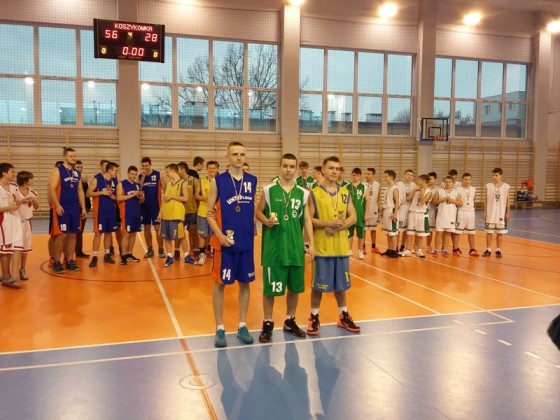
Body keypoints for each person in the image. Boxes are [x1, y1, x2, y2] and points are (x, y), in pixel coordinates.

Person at [255, 154, 315, 343]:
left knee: (295, 288)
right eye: (285, 166)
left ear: (296, 169)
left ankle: (290, 320)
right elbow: (258, 212)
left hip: (296, 248)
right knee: (270, 289)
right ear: (279, 167)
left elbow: (306, 219)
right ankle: (267, 322)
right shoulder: (268, 190)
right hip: (274, 249)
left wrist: (311, 243)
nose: (288, 169)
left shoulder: (303, 193)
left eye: (292, 166)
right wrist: (266, 221)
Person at [206, 141, 257, 348]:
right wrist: (219, 235)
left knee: (245, 283)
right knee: (220, 284)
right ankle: (219, 327)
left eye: (242, 154)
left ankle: (242, 325)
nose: (239, 157)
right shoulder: (218, 181)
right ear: (227, 157)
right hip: (224, 244)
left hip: (245, 242)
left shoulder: (252, 180)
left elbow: (252, 210)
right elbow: (209, 213)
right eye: (235, 154)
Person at [307, 156, 360, 336]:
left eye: (337, 169)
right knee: (318, 286)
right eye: (331, 168)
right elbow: (309, 220)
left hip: (341, 247)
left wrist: (339, 226)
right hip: (322, 248)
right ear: (323, 170)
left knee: (341, 286)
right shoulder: (314, 193)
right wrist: (327, 224)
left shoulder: (345, 192)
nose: (334, 171)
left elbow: (353, 217)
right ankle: (314, 317)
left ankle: (343, 315)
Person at [48, 147, 87, 273]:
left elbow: (80, 190)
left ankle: (69, 260)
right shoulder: (58, 170)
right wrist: (57, 205)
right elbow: (52, 188)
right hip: (63, 207)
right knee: (62, 235)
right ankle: (57, 261)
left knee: (73, 234)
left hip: (74, 208)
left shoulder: (77, 173)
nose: (73, 158)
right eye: (71, 156)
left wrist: (83, 207)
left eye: (74, 156)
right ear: (65, 157)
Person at [87, 161, 119, 267]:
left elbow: (117, 195)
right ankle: (95, 256)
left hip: (111, 211)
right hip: (100, 211)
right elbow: (88, 193)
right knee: (98, 234)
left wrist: (114, 198)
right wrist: (102, 192)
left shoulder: (115, 181)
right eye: (116, 170)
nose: (117, 172)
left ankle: (107, 254)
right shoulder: (97, 179)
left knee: (109, 233)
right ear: (110, 170)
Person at [158, 164, 188, 267]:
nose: (167, 174)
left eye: (167, 172)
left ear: (173, 171)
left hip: (176, 214)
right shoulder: (169, 184)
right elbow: (164, 199)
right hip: (166, 214)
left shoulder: (183, 183)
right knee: (167, 238)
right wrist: (160, 212)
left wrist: (172, 196)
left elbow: (185, 198)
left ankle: (187, 256)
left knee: (181, 236)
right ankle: (169, 257)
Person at [0, 163, 23, 288]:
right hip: (4, 221)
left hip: (16, 219)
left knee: (18, 247)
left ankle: (14, 277)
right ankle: (5, 275)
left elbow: (17, 199)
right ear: (4, 173)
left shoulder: (13, 186)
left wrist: (19, 202)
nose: (14, 174)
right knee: (5, 250)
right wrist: (9, 207)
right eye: (11, 171)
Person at [139, 157, 165, 258]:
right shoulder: (140, 176)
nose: (145, 168)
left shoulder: (158, 174)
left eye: (147, 166)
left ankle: (161, 249)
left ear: (150, 165)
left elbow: (165, 188)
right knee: (146, 228)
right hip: (144, 206)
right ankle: (150, 249)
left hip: (156, 206)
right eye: (143, 166)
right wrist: (143, 177)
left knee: (158, 228)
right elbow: (139, 189)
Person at [117, 166, 143, 265]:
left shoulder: (137, 185)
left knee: (133, 234)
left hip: (136, 212)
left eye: (135, 174)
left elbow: (141, 200)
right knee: (126, 234)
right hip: (126, 213)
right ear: (128, 173)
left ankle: (129, 253)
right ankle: (123, 255)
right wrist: (133, 194)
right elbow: (119, 198)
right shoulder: (122, 184)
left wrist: (141, 197)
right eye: (132, 174)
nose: (134, 176)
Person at [195, 160, 219, 266]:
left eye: (214, 168)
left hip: (216, 212)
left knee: (216, 235)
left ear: (217, 169)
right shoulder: (201, 180)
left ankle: (216, 254)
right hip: (203, 212)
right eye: (210, 168)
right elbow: (196, 195)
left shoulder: (220, 181)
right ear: (207, 169)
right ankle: (202, 255)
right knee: (202, 235)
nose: (212, 170)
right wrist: (204, 198)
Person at [483, 167, 510, 258]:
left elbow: (508, 200)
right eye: (493, 175)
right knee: (489, 232)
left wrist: (508, 212)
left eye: (496, 175)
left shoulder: (506, 187)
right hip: (490, 213)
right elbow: (485, 200)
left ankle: (498, 250)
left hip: (501, 213)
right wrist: (485, 212)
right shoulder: (488, 186)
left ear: (501, 175)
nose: (494, 177)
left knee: (500, 233)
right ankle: (488, 249)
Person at [431, 175, 462, 257]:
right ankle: (436, 250)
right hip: (441, 215)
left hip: (451, 216)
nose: (447, 183)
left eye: (449, 182)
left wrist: (453, 201)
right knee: (439, 233)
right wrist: (441, 200)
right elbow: (433, 202)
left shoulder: (456, 192)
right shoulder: (439, 191)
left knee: (447, 233)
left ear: (453, 183)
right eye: (446, 182)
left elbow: (460, 203)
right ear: (443, 183)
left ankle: (444, 250)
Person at [16, 171, 39, 280]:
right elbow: (13, 204)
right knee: (14, 248)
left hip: (26, 222)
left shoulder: (32, 192)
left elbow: (37, 207)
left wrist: (34, 201)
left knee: (25, 248)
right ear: (25, 180)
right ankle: (10, 270)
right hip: (16, 222)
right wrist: (22, 200)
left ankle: (22, 268)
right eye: (31, 178)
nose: (33, 180)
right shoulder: (15, 191)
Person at [177, 161, 200, 264]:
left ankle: (195, 250)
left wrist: (198, 209)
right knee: (179, 233)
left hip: (192, 210)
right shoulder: (177, 182)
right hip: (180, 211)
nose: (177, 171)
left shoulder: (194, 180)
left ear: (182, 169)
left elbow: (197, 196)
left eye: (178, 169)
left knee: (193, 232)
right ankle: (176, 251)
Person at [405, 174, 432, 258]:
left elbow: (423, 202)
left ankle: (419, 250)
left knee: (420, 234)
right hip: (413, 212)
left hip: (421, 214)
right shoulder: (415, 189)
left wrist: (422, 191)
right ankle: (408, 250)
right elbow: (408, 198)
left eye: (419, 180)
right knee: (410, 232)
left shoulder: (429, 192)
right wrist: (414, 190)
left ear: (423, 181)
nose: (417, 181)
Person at [455, 173, 479, 257]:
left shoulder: (474, 189)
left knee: (471, 232)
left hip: (471, 212)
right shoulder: (457, 189)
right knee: (458, 232)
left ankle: (472, 249)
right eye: (465, 179)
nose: (467, 181)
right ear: (462, 180)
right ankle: (455, 248)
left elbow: (474, 200)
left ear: (471, 180)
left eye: (469, 179)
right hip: (461, 211)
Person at [347, 168, 366, 259]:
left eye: (357, 175)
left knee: (361, 234)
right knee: (349, 233)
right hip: (349, 214)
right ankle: (349, 250)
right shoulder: (347, 187)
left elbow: (368, 201)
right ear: (351, 175)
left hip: (360, 214)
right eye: (354, 175)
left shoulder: (364, 187)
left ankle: (360, 251)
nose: (355, 177)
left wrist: (366, 214)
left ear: (360, 176)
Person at [396, 169, 416, 255]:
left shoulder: (414, 185)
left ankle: (402, 246)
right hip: (401, 208)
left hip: (410, 208)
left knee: (406, 230)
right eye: (408, 174)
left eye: (411, 175)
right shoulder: (398, 184)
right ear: (404, 175)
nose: (409, 176)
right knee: (398, 229)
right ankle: (396, 247)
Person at [380, 170, 400, 258]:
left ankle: (394, 251)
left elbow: (397, 202)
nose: (385, 178)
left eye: (386, 176)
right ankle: (390, 249)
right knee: (388, 233)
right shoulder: (388, 188)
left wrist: (395, 214)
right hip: (386, 211)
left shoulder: (395, 188)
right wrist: (382, 211)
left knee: (393, 233)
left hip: (392, 211)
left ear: (391, 177)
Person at [74, 160, 91, 258]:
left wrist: (87, 208)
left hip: (84, 208)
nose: (80, 169)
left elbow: (86, 195)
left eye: (81, 167)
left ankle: (79, 251)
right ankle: (73, 252)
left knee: (80, 232)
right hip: (76, 208)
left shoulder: (83, 180)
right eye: (78, 167)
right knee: (75, 232)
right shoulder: (73, 180)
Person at [363, 167, 381, 254]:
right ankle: (363, 246)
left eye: (368, 174)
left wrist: (379, 207)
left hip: (374, 209)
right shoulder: (362, 184)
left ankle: (373, 246)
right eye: (366, 174)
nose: (366, 175)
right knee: (364, 229)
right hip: (365, 209)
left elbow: (378, 197)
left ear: (373, 175)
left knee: (373, 229)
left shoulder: (377, 184)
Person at [425, 171, 438, 253]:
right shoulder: (423, 188)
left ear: (435, 180)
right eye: (428, 179)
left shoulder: (438, 190)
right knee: (417, 229)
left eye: (431, 179)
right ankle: (415, 246)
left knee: (430, 230)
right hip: (422, 210)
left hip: (432, 211)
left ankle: (428, 246)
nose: (430, 180)